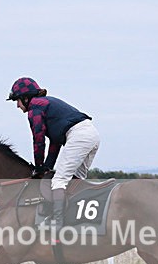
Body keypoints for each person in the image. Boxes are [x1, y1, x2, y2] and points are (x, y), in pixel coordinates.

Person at [7, 77, 100, 229]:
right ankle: (80, 221)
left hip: (79, 136)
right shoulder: (45, 105)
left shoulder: (35, 108)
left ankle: (57, 223)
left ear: (26, 97)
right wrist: (46, 167)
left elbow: (38, 139)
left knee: (59, 181)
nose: (17, 105)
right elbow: (55, 143)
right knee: (76, 180)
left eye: (17, 100)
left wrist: (38, 167)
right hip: (91, 134)